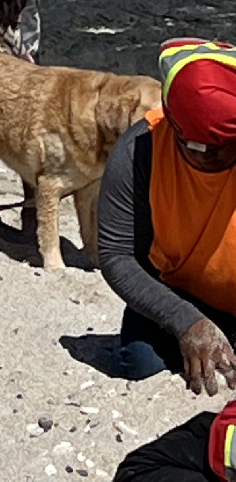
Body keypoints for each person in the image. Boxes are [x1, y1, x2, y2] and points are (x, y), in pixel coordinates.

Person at [99, 38, 236, 391]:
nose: (205, 159)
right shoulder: (139, 151)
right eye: (191, 146)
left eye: (220, 150)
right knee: (136, 362)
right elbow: (116, 255)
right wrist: (185, 321)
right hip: (177, 291)